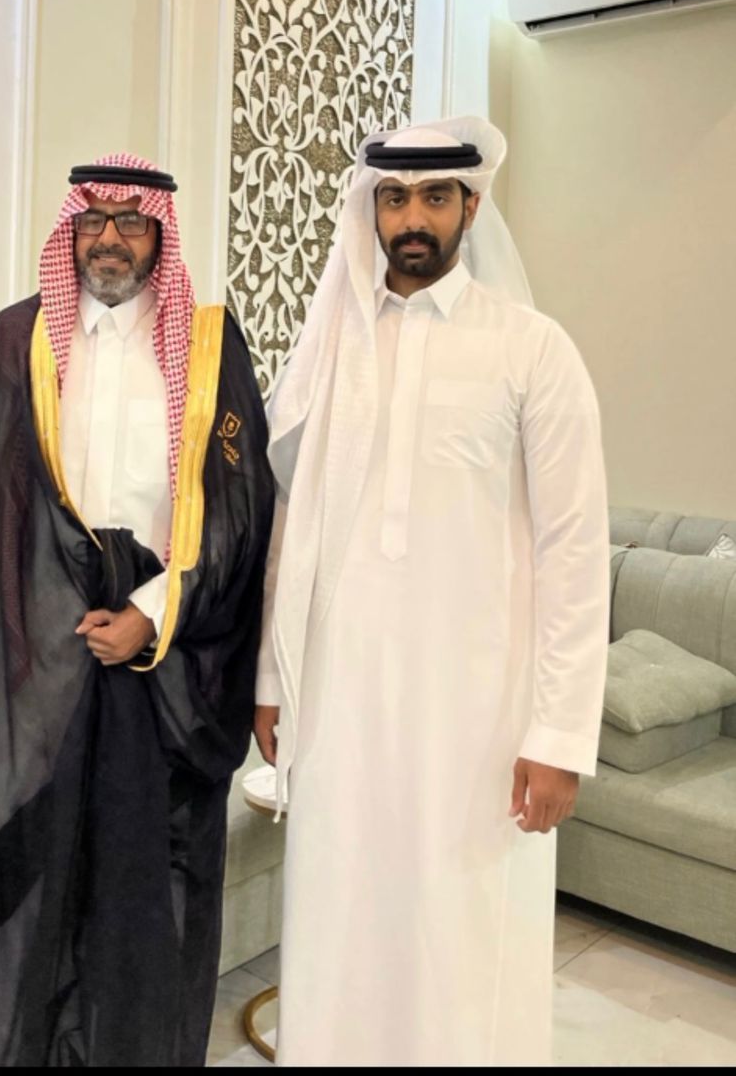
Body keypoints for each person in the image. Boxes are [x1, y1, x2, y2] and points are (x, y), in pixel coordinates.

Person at [255, 116, 610, 1067]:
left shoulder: (533, 349)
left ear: (471, 208)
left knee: (463, 927)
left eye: (436, 197)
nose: (413, 218)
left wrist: (559, 734)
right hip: (341, 698)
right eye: (394, 198)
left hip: (478, 712)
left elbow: (576, 550)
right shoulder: (332, 348)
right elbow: (293, 526)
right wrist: (272, 680)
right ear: (370, 210)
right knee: (339, 910)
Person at [0, 152, 275, 1066]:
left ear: (160, 233)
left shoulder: (210, 349)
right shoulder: (12, 343)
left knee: (140, 879)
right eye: (94, 220)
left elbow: (239, 510)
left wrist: (152, 613)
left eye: (131, 220)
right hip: (35, 654)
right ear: (71, 229)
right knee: (22, 860)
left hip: (164, 664)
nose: (110, 238)